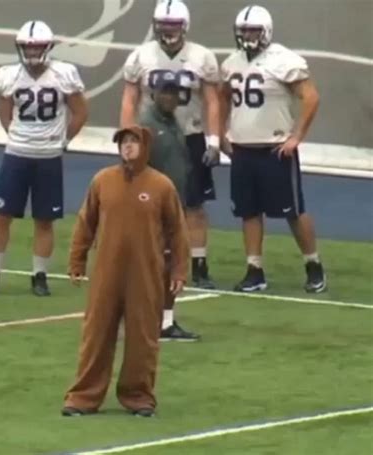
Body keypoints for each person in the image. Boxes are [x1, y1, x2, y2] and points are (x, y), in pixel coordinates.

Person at [62, 125, 189, 417]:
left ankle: (139, 396)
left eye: (133, 141)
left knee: (143, 337)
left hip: (145, 275)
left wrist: (179, 271)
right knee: (96, 334)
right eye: (123, 142)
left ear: (145, 146)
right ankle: (82, 397)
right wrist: (77, 260)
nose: (128, 147)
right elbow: (86, 223)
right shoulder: (103, 181)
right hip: (106, 272)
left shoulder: (161, 186)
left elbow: (178, 233)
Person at [0, 20, 88, 297]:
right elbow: (5, 114)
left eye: (37, 47)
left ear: (48, 47)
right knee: (2, 215)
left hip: (48, 156)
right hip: (17, 153)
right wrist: (18, 137)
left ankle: (39, 276)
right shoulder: (9, 74)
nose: (32, 53)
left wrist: (63, 140)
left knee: (44, 219)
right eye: (27, 47)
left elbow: (80, 112)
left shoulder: (64, 73)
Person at [220, 5, 327, 293]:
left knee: (293, 210)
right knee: (248, 211)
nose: (248, 36)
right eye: (244, 31)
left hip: (275, 149)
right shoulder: (232, 62)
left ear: (266, 31)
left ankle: (313, 265)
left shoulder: (284, 60)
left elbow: (311, 97)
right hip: (243, 148)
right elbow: (223, 98)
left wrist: (296, 137)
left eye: (253, 30)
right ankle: (254, 270)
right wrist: (220, 133)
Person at [120, 0, 221, 289]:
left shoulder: (202, 56)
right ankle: (145, 258)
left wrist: (213, 140)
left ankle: (198, 264)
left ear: (184, 26)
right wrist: (128, 137)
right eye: (164, 25)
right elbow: (129, 99)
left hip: (189, 135)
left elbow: (213, 100)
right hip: (150, 138)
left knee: (194, 204)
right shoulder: (141, 55)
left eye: (174, 25)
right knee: (145, 201)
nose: (168, 30)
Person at [139, 71, 199, 341]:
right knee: (153, 266)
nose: (169, 97)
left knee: (169, 264)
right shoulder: (146, 126)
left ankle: (163, 322)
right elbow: (135, 169)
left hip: (173, 205)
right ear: (154, 94)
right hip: (154, 208)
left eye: (173, 93)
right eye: (164, 92)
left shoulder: (173, 123)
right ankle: (145, 321)